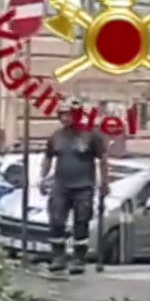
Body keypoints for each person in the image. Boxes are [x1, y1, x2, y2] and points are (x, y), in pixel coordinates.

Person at [39, 110, 110, 275]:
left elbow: (103, 159)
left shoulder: (91, 135)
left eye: (69, 115)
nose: (65, 118)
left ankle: (79, 260)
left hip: (83, 186)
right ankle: (58, 257)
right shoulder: (56, 136)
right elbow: (48, 157)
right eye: (62, 115)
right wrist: (43, 178)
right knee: (56, 221)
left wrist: (105, 182)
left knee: (81, 222)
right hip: (61, 186)